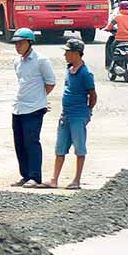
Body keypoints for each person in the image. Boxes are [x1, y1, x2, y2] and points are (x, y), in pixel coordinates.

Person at [44, 39, 96, 190]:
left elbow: (93, 95)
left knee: (79, 148)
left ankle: (76, 180)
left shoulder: (85, 74)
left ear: (76, 53)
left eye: (67, 52)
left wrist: (87, 112)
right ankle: (54, 179)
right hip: (66, 114)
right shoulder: (69, 69)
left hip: (78, 115)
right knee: (60, 148)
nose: (65, 55)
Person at [10, 28, 56, 188]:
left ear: (29, 43)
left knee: (32, 142)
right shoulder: (17, 61)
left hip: (34, 108)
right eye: (16, 43)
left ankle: (35, 176)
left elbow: (50, 82)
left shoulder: (41, 60)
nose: (18, 46)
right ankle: (25, 175)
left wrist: (39, 98)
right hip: (18, 107)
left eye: (21, 43)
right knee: (20, 143)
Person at [105, 1, 128, 68]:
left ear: (120, 8)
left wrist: (107, 29)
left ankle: (111, 63)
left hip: (119, 39)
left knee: (111, 48)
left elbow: (110, 26)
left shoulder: (117, 17)